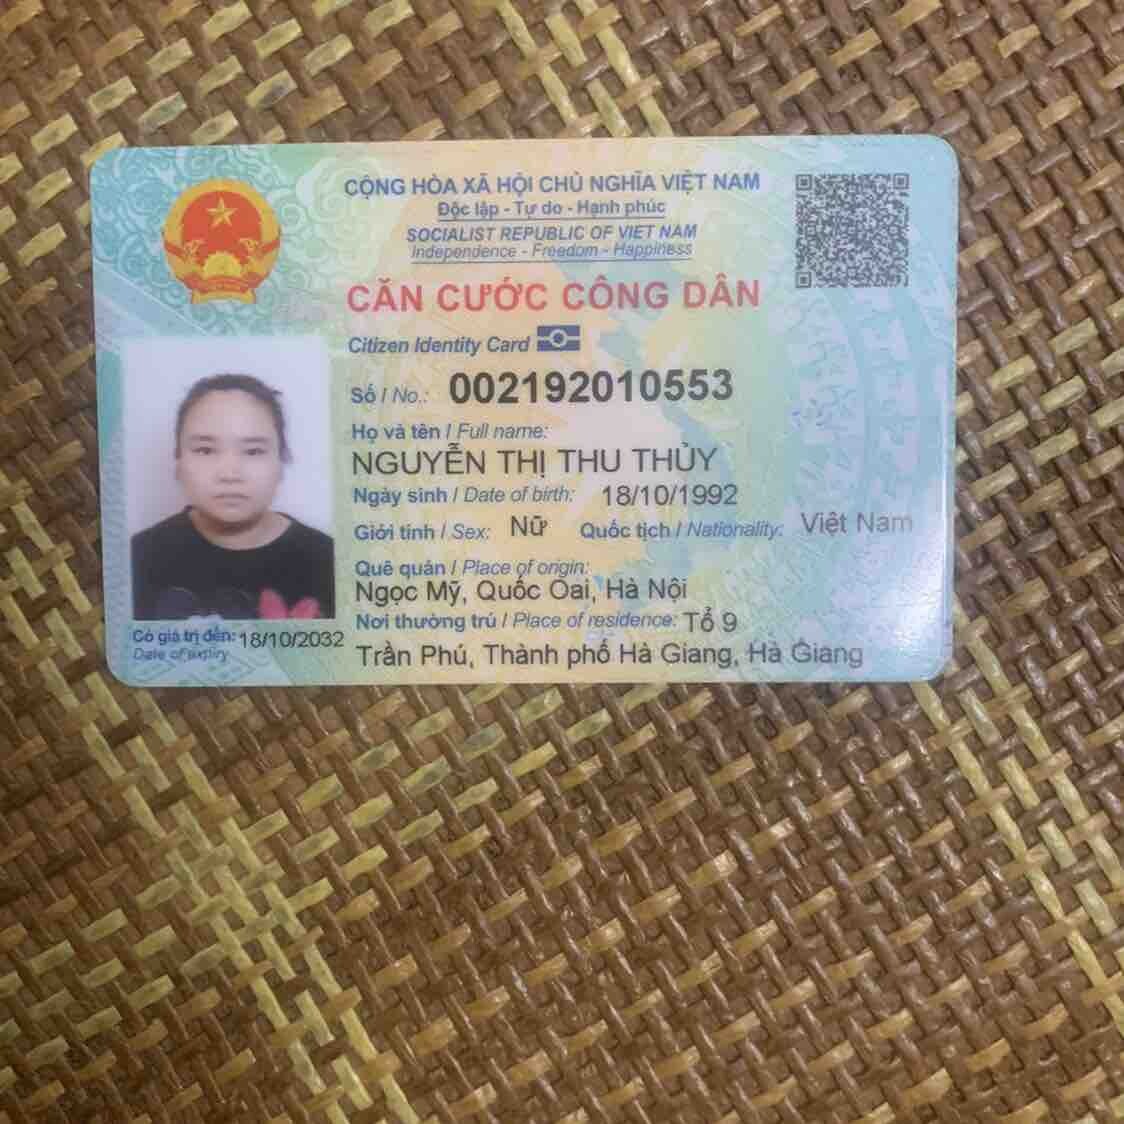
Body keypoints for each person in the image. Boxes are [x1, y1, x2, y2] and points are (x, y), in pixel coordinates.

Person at [131, 373, 335, 620]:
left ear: (281, 462)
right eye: (205, 450)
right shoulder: (137, 558)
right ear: (178, 462)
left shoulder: (330, 561)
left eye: (253, 451)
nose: (229, 474)